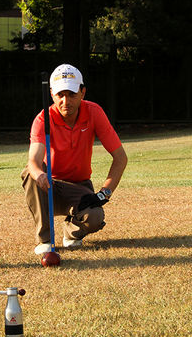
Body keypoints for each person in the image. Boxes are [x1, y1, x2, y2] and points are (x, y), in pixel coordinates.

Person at [21, 64, 128, 255]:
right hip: (50, 186)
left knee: (95, 216)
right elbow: (34, 161)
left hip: (80, 186)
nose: (65, 101)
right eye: (60, 95)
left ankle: (71, 233)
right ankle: (44, 240)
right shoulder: (42, 119)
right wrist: (40, 175)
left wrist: (104, 193)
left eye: (71, 94)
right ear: (51, 93)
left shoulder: (94, 112)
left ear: (83, 92)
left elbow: (120, 158)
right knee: (29, 175)